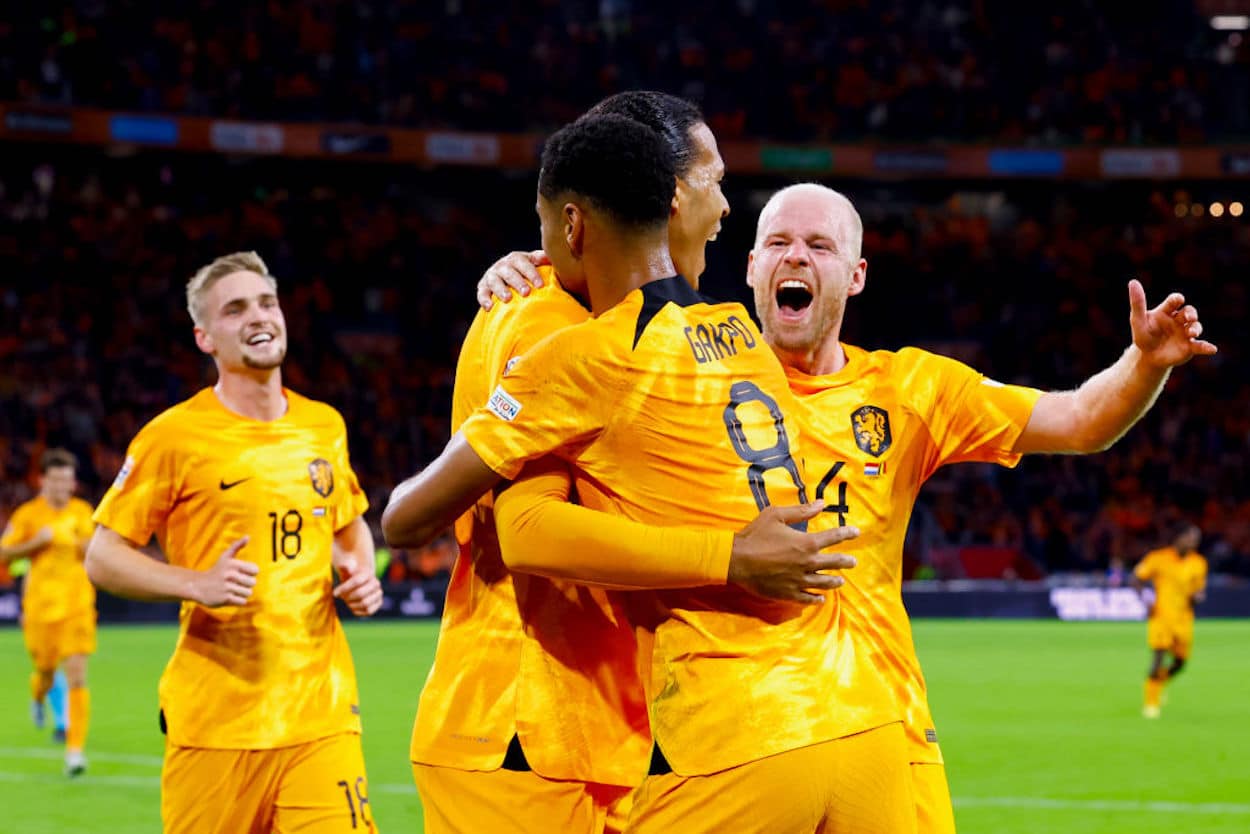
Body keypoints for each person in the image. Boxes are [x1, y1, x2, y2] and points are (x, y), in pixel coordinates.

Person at [480, 182, 1216, 833]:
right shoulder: (685, 372)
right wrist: (537, 274)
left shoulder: (909, 390)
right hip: (727, 732)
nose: (795, 257)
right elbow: (597, 330)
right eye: (777, 242)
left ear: (855, 275)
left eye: (819, 246)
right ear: (750, 268)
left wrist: (1143, 364)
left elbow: (1079, 419)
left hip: (886, 728)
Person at [385, 115, 913, 833]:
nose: (727, 208)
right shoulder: (717, 338)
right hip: (544, 725)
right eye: (713, 183)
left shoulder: (609, 346)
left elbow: (467, 522)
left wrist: (731, 557)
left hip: (699, 728)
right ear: (667, 201)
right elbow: (526, 526)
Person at [85, 252, 384, 834]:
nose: (257, 316)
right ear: (205, 337)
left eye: (267, 302)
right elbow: (102, 555)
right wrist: (195, 583)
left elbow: (348, 529)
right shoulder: (173, 436)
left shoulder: (324, 425)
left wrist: (357, 572)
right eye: (235, 309)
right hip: (217, 723)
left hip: (320, 715)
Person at [0, 448, 96, 775]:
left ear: (73, 483)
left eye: (66, 480)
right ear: (43, 480)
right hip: (40, 609)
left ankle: (75, 752)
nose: (61, 487)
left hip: (77, 607)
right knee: (44, 670)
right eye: (55, 480)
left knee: (78, 675)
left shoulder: (84, 512)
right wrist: (34, 544)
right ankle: (38, 696)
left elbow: (97, 552)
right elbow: (4, 553)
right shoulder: (29, 515)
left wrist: (88, 547)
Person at [1133, 523, 1208, 718]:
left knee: (1181, 662)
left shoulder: (1198, 563)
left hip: (1184, 619)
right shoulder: (1158, 558)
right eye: (1190, 538)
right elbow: (1136, 579)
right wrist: (1145, 600)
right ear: (1179, 538)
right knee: (1158, 658)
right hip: (1161, 616)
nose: (1193, 543)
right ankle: (1151, 703)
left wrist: (1197, 597)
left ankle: (1159, 682)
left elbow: (1198, 590)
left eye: (1196, 540)